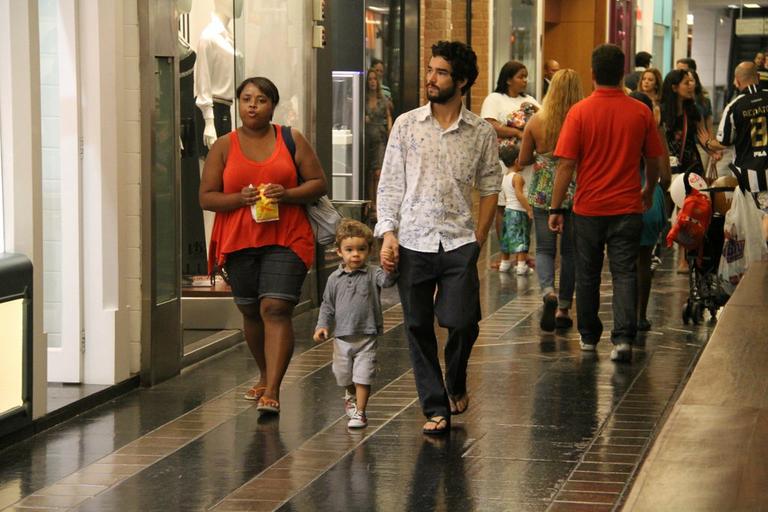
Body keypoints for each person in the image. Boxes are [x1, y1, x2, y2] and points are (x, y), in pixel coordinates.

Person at [375, 41, 500, 434]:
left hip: (459, 240)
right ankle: (436, 407)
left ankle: (456, 379)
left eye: (441, 72)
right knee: (416, 326)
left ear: (461, 81)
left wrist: (479, 237)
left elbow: (491, 184)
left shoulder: (480, 132)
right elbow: (391, 184)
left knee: (461, 322)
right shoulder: (407, 125)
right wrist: (388, 233)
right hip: (413, 239)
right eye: (430, 70)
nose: (430, 78)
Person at [199, 77, 327, 414]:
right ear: (238, 104)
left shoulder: (290, 138)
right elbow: (206, 197)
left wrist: (288, 194)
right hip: (240, 238)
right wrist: (237, 199)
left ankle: (273, 388)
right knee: (251, 310)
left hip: (288, 235)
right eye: (246, 99)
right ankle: (263, 372)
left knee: (275, 308)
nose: (252, 105)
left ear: (272, 105)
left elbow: (317, 183)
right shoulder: (224, 146)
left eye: (261, 100)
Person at [549, 44, 665, 362]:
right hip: (628, 206)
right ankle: (624, 340)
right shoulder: (640, 111)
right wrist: (648, 188)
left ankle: (588, 337)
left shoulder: (580, 112)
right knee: (625, 271)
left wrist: (556, 207)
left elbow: (565, 165)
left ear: (593, 72)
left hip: (588, 209)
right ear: (622, 73)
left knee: (587, 273)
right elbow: (654, 159)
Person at [313, 219, 397, 429]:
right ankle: (349, 393)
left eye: (361, 249)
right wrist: (322, 325)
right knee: (343, 375)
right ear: (339, 252)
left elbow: (387, 282)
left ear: (369, 251)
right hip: (342, 337)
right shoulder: (334, 278)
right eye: (349, 250)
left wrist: (391, 267)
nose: (355, 254)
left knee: (363, 376)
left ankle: (360, 412)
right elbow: (327, 305)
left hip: (367, 335)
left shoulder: (373, 273)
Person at [518, 68, 584, 332]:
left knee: (544, 249)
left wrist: (540, 158)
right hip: (575, 188)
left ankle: (548, 292)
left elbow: (522, 159)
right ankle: (564, 308)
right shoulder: (581, 119)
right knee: (570, 253)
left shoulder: (536, 121)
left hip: (544, 190)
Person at [481, 60, 540, 269]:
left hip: (527, 163)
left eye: (525, 76)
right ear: (508, 79)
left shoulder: (530, 100)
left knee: (525, 205)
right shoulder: (495, 99)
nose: (525, 80)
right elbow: (490, 124)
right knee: (504, 206)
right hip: (504, 162)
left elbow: (542, 121)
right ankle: (505, 253)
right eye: (520, 76)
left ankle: (522, 253)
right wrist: (516, 132)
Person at [707, 62, 768, 234]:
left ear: (736, 81)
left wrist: (708, 144)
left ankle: (759, 256)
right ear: (757, 77)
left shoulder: (734, 106)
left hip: (748, 175)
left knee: (753, 221)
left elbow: (724, 141)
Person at [629, 91, 672, 332]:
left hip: (624, 195)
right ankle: (640, 316)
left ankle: (624, 314)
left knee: (625, 262)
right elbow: (665, 176)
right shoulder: (656, 132)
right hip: (651, 198)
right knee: (644, 261)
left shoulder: (623, 129)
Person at [660, 69, 708, 273]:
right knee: (662, 210)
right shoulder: (661, 111)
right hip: (666, 166)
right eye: (686, 82)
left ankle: (683, 259)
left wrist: (713, 148)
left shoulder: (694, 110)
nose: (691, 86)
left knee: (686, 212)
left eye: (692, 82)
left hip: (690, 165)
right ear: (674, 87)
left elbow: (704, 137)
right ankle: (655, 252)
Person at [497, 145, 533, 275]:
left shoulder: (505, 176)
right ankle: (521, 265)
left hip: (508, 211)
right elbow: (519, 194)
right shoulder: (518, 177)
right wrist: (528, 209)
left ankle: (504, 263)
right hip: (518, 212)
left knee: (506, 237)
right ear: (517, 161)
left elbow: (507, 196)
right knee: (522, 237)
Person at [364, 68, 393, 218]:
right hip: (367, 137)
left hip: (380, 137)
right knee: (369, 172)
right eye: (370, 79)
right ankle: (371, 201)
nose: (372, 82)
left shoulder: (383, 99)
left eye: (375, 79)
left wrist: (390, 130)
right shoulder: (363, 99)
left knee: (378, 172)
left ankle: (378, 201)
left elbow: (388, 116)